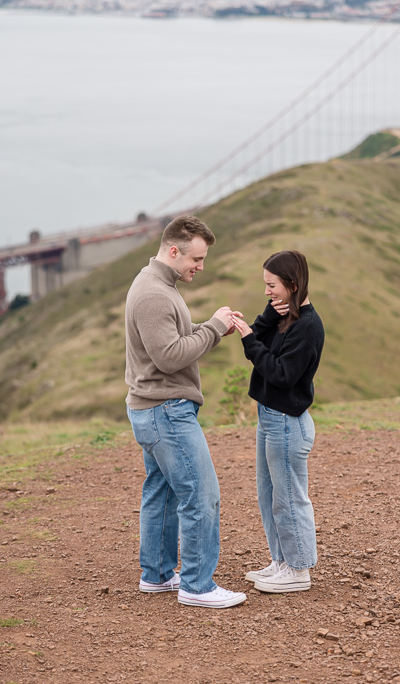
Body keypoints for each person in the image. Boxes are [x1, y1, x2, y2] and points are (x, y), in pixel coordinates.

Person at [125, 215, 246, 609]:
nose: (200, 266)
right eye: (196, 258)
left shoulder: (157, 283)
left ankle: (158, 576)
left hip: (152, 409)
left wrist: (211, 326)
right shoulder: (154, 294)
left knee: (161, 494)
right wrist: (212, 328)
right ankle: (198, 585)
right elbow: (169, 356)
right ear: (173, 250)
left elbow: (171, 336)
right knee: (201, 495)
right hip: (166, 411)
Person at [232, 250, 325, 593]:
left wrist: (248, 341)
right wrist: (268, 316)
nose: (267, 291)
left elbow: (280, 374)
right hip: (270, 418)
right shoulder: (284, 316)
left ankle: (298, 569)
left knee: (288, 497)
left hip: (287, 422)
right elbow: (259, 335)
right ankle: (282, 562)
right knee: (269, 494)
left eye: (272, 286)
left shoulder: (308, 326)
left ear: (292, 284)